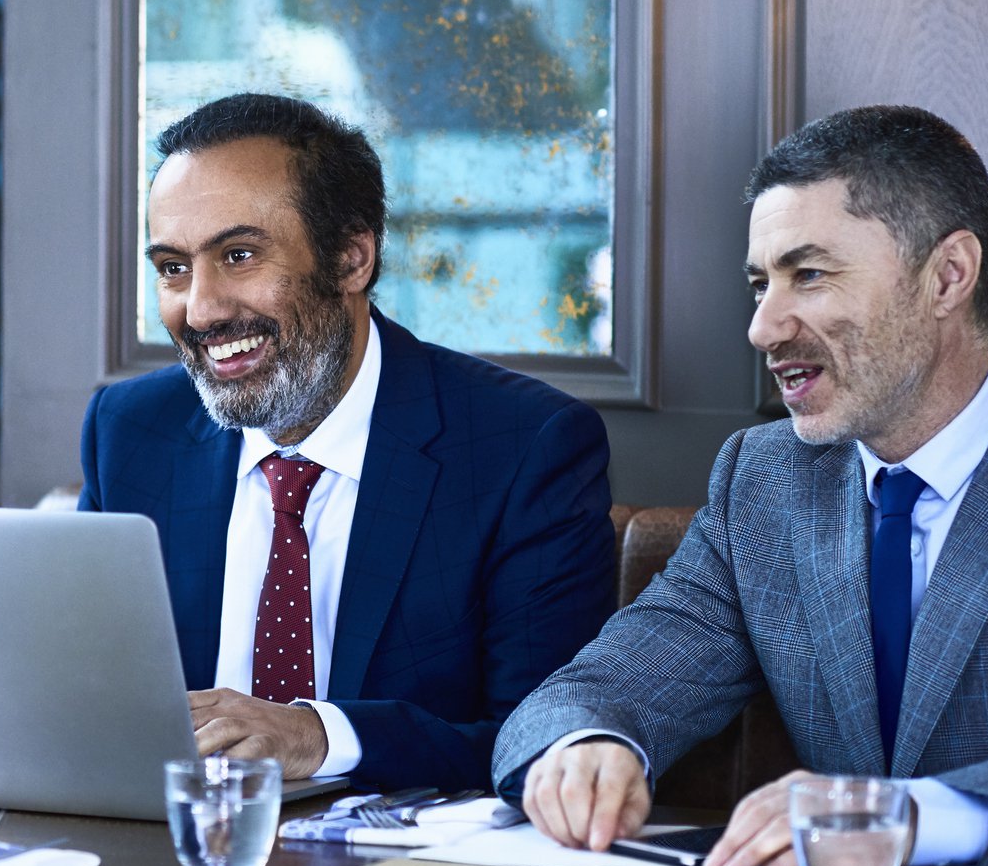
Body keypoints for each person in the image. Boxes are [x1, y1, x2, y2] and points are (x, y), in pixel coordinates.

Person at [495, 106, 988, 866]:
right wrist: (588, 745)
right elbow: (597, 687)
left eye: (807, 275)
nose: (763, 327)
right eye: (759, 284)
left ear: (948, 275)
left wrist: (915, 816)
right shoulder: (764, 479)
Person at [79, 93, 616, 787]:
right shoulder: (128, 431)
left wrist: (321, 736)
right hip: (176, 841)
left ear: (351, 259)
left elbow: (544, 746)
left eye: (238, 255)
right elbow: (83, 700)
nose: (201, 309)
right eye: (173, 268)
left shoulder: (526, 447)